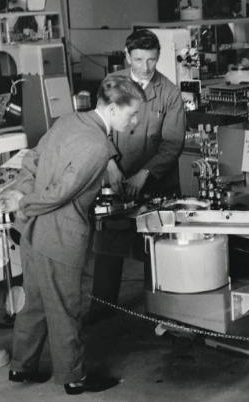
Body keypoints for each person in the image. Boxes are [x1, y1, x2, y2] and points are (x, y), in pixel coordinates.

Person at [0, 75, 144, 395]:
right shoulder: (96, 146)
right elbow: (60, 194)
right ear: (112, 108)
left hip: (31, 232)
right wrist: (26, 200)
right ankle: (74, 377)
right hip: (59, 237)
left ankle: (21, 367)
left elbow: (33, 159)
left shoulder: (68, 120)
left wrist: (22, 196)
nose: (135, 122)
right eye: (132, 114)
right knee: (65, 308)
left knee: (34, 303)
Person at [90, 29, 185, 321]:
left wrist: (145, 174)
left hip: (155, 181)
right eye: (140, 59)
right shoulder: (111, 83)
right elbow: (98, 126)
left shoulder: (169, 92)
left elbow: (173, 143)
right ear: (127, 54)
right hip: (115, 178)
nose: (146, 67)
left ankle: (158, 312)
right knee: (108, 246)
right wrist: (109, 163)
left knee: (154, 248)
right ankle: (102, 308)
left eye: (152, 60)